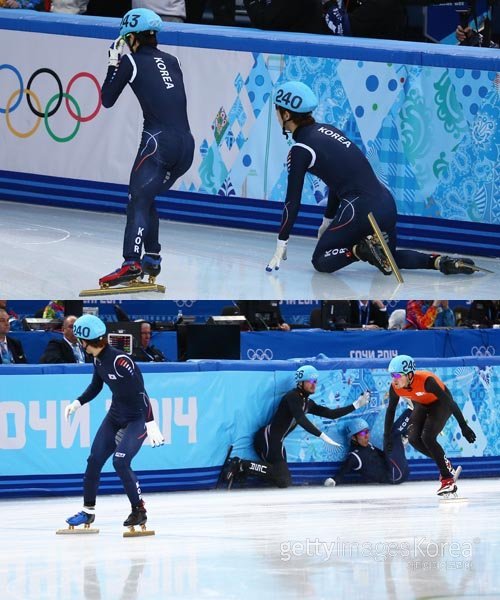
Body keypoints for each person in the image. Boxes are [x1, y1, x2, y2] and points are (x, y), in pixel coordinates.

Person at [265, 81, 479, 278]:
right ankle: (440, 262)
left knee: (321, 261)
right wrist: (327, 220)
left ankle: (360, 250)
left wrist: (281, 241)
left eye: (277, 111)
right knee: (388, 258)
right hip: (386, 204)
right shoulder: (329, 130)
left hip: (361, 210)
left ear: (285, 115)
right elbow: (335, 178)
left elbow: (292, 202)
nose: (276, 116)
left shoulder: (300, 149)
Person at [98, 8, 194, 288]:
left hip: (158, 143)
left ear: (131, 38)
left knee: (137, 199)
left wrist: (113, 64)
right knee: (147, 195)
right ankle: (151, 259)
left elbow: (106, 99)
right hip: (186, 145)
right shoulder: (173, 60)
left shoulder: (131, 60)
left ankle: (131, 262)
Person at [64, 314, 164, 531]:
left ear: (86, 341)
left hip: (137, 418)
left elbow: (141, 393)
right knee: (94, 460)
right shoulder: (97, 358)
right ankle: (88, 511)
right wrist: (78, 402)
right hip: (115, 416)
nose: (80, 343)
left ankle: (139, 510)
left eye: (80, 339)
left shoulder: (120, 361)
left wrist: (151, 423)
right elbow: (96, 386)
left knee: (120, 462)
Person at [221, 365, 371, 488]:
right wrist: (322, 435)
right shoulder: (292, 397)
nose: (314, 384)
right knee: (282, 479)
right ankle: (241, 464)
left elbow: (331, 414)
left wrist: (356, 404)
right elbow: (300, 419)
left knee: (283, 480)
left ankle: (245, 468)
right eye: (311, 381)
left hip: (276, 442)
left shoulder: (307, 402)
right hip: (267, 439)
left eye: (316, 381)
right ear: (301, 382)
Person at [384, 354, 476, 496]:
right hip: (422, 404)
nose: (394, 379)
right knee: (413, 438)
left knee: (427, 437)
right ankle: (445, 465)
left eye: (396, 375)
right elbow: (391, 410)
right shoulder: (395, 387)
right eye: (391, 375)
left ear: (409, 374)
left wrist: (464, 426)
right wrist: (387, 436)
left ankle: (447, 480)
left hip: (441, 404)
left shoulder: (427, 381)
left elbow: (450, 403)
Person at [324, 411, 411, 486]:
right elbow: (343, 471)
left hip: (403, 472)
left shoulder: (369, 446)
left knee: (389, 438)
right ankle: (411, 410)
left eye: (367, 432)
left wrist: (396, 451)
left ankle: (404, 436)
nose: (366, 436)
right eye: (362, 433)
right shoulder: (355, 456)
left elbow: (384, 455)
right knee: (391, 435)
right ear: (354, 438)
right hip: (394, 476)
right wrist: (334, 480)